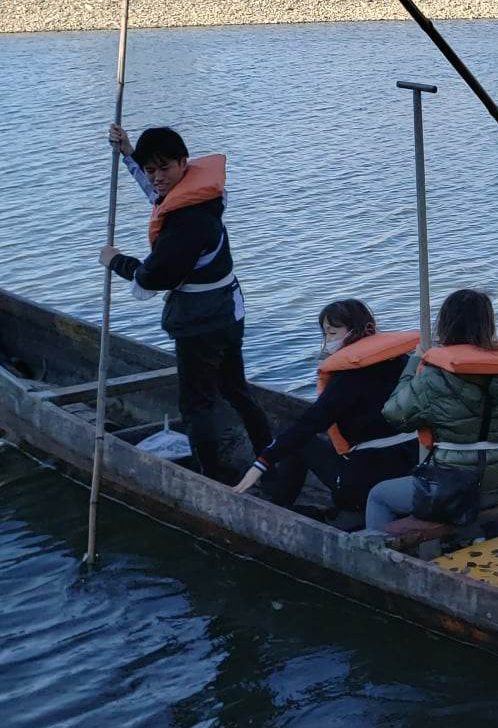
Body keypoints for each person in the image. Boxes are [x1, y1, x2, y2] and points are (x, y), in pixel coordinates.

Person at [99, 123, 270, 482]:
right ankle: (271, 455)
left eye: (165, 168)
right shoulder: (196, 196)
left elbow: (154, 276)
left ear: (183, 163)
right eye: (150, 169)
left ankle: (214, 479)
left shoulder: (188, 223)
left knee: (196, 404)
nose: (157, 177)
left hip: (202, 322)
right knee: (233, 388)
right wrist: (129, 155)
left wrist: (115, 260)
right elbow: (157, 196)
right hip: (228, 309)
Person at [230, 299, 417, 531]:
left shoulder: (347, 380)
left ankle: (278, 505)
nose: (328, 340)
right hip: (412, 467)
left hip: (364, 484)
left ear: (357, 331)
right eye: (325, 333)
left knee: (297, 437)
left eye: (332, 332)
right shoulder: (404, 362)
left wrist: (262, 462)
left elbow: (309, 424)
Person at [367, 289, 498, 531]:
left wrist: (415, 362)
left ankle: (375, 559)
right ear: (489, 323)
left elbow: (394, 413)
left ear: (445, 324)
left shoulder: (435, 375)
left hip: (457, 487)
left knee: (379, 496)